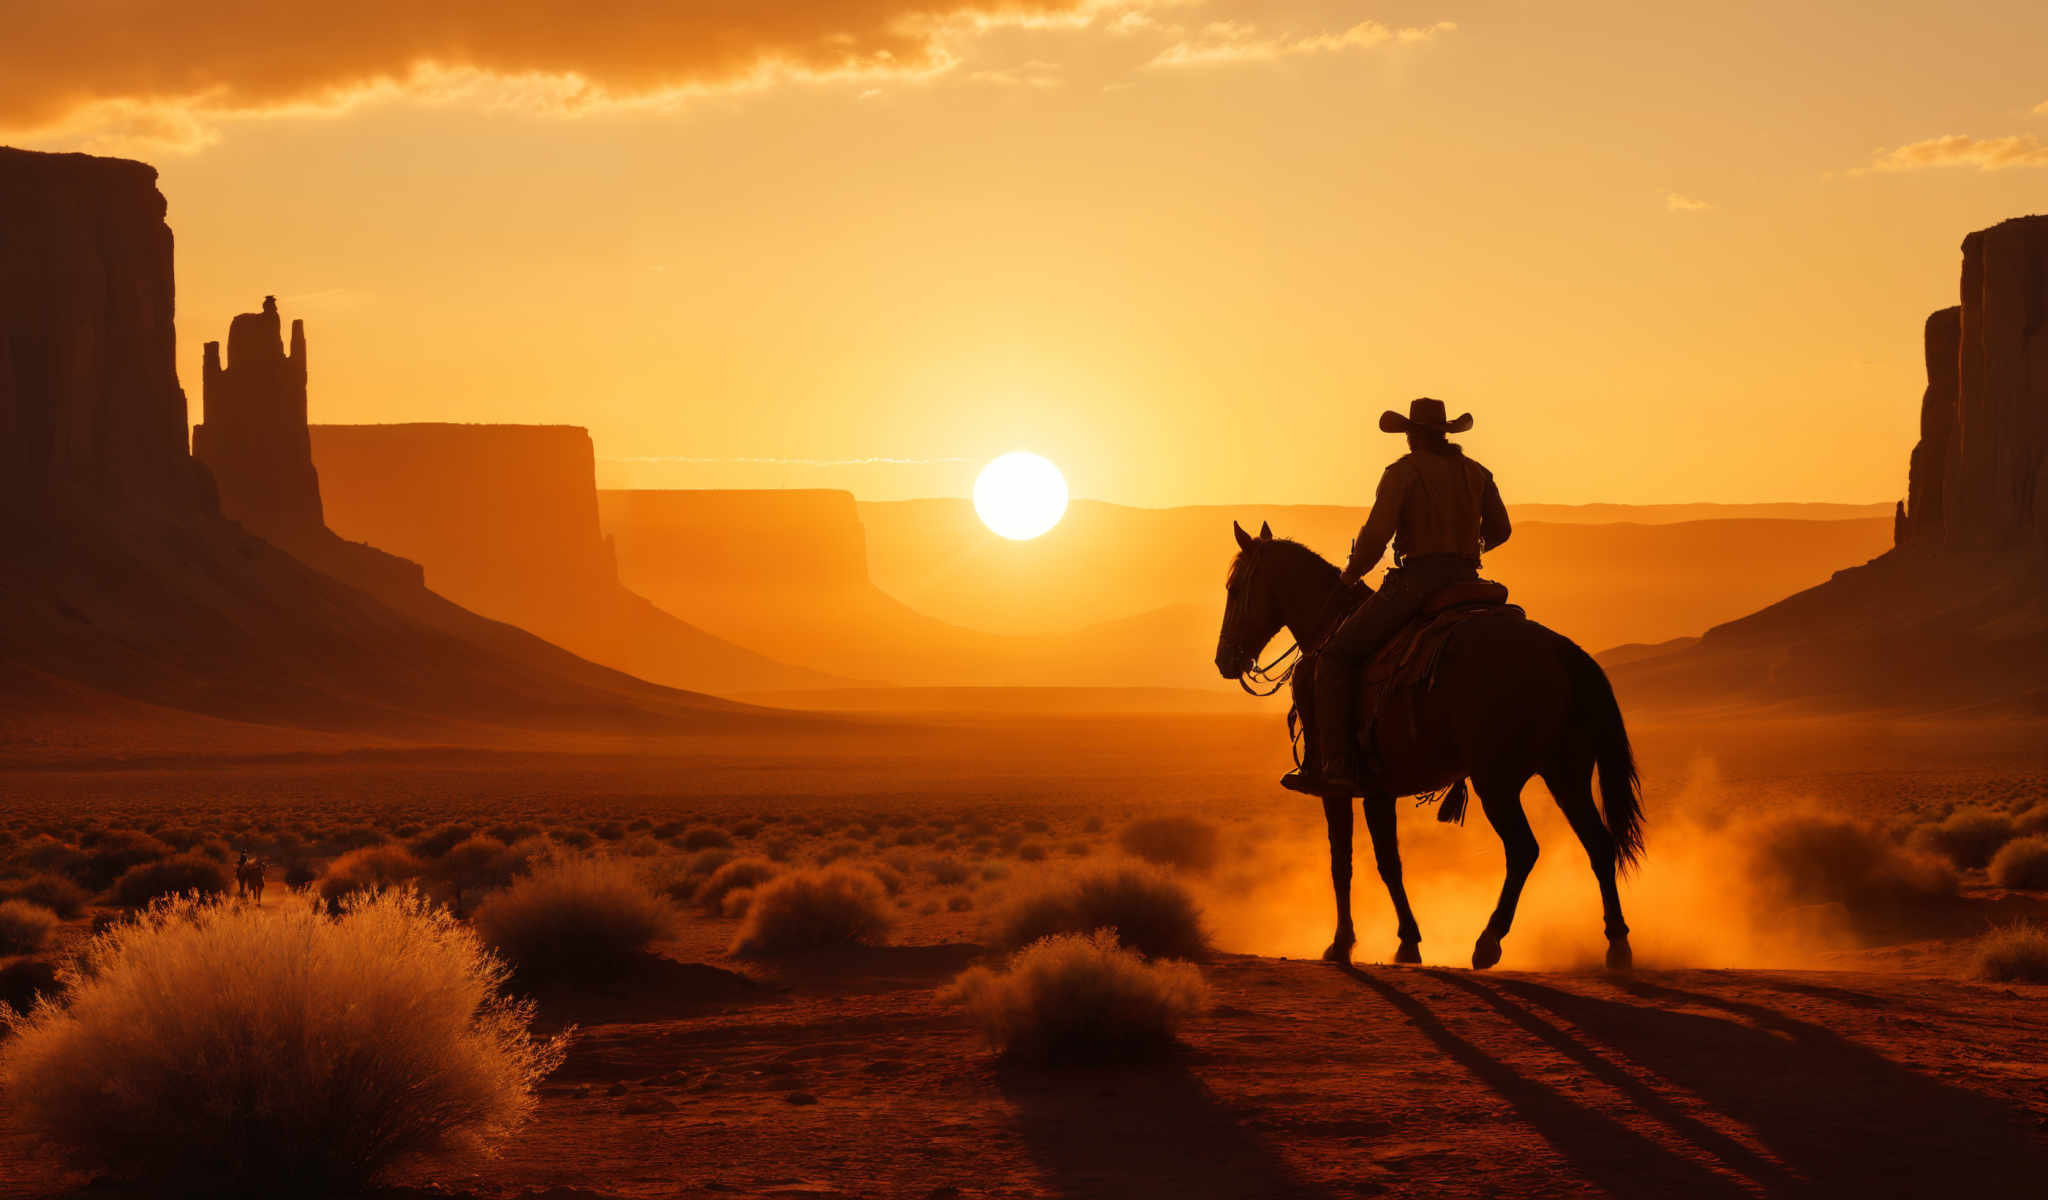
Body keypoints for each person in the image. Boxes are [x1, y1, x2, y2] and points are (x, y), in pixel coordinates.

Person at [1282, 397, 1512, 795]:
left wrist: (1352, 574)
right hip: (1468, 583)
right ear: (1444, 433)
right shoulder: (1478, 473)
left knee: (1335, 657)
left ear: (1414, 434)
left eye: (1408, 432)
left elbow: (1376, 536)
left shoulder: (1403, 473)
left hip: (1419, 583)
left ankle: (1336, 764)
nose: (1407, 438)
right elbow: (1501, 530)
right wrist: (1469, 549)